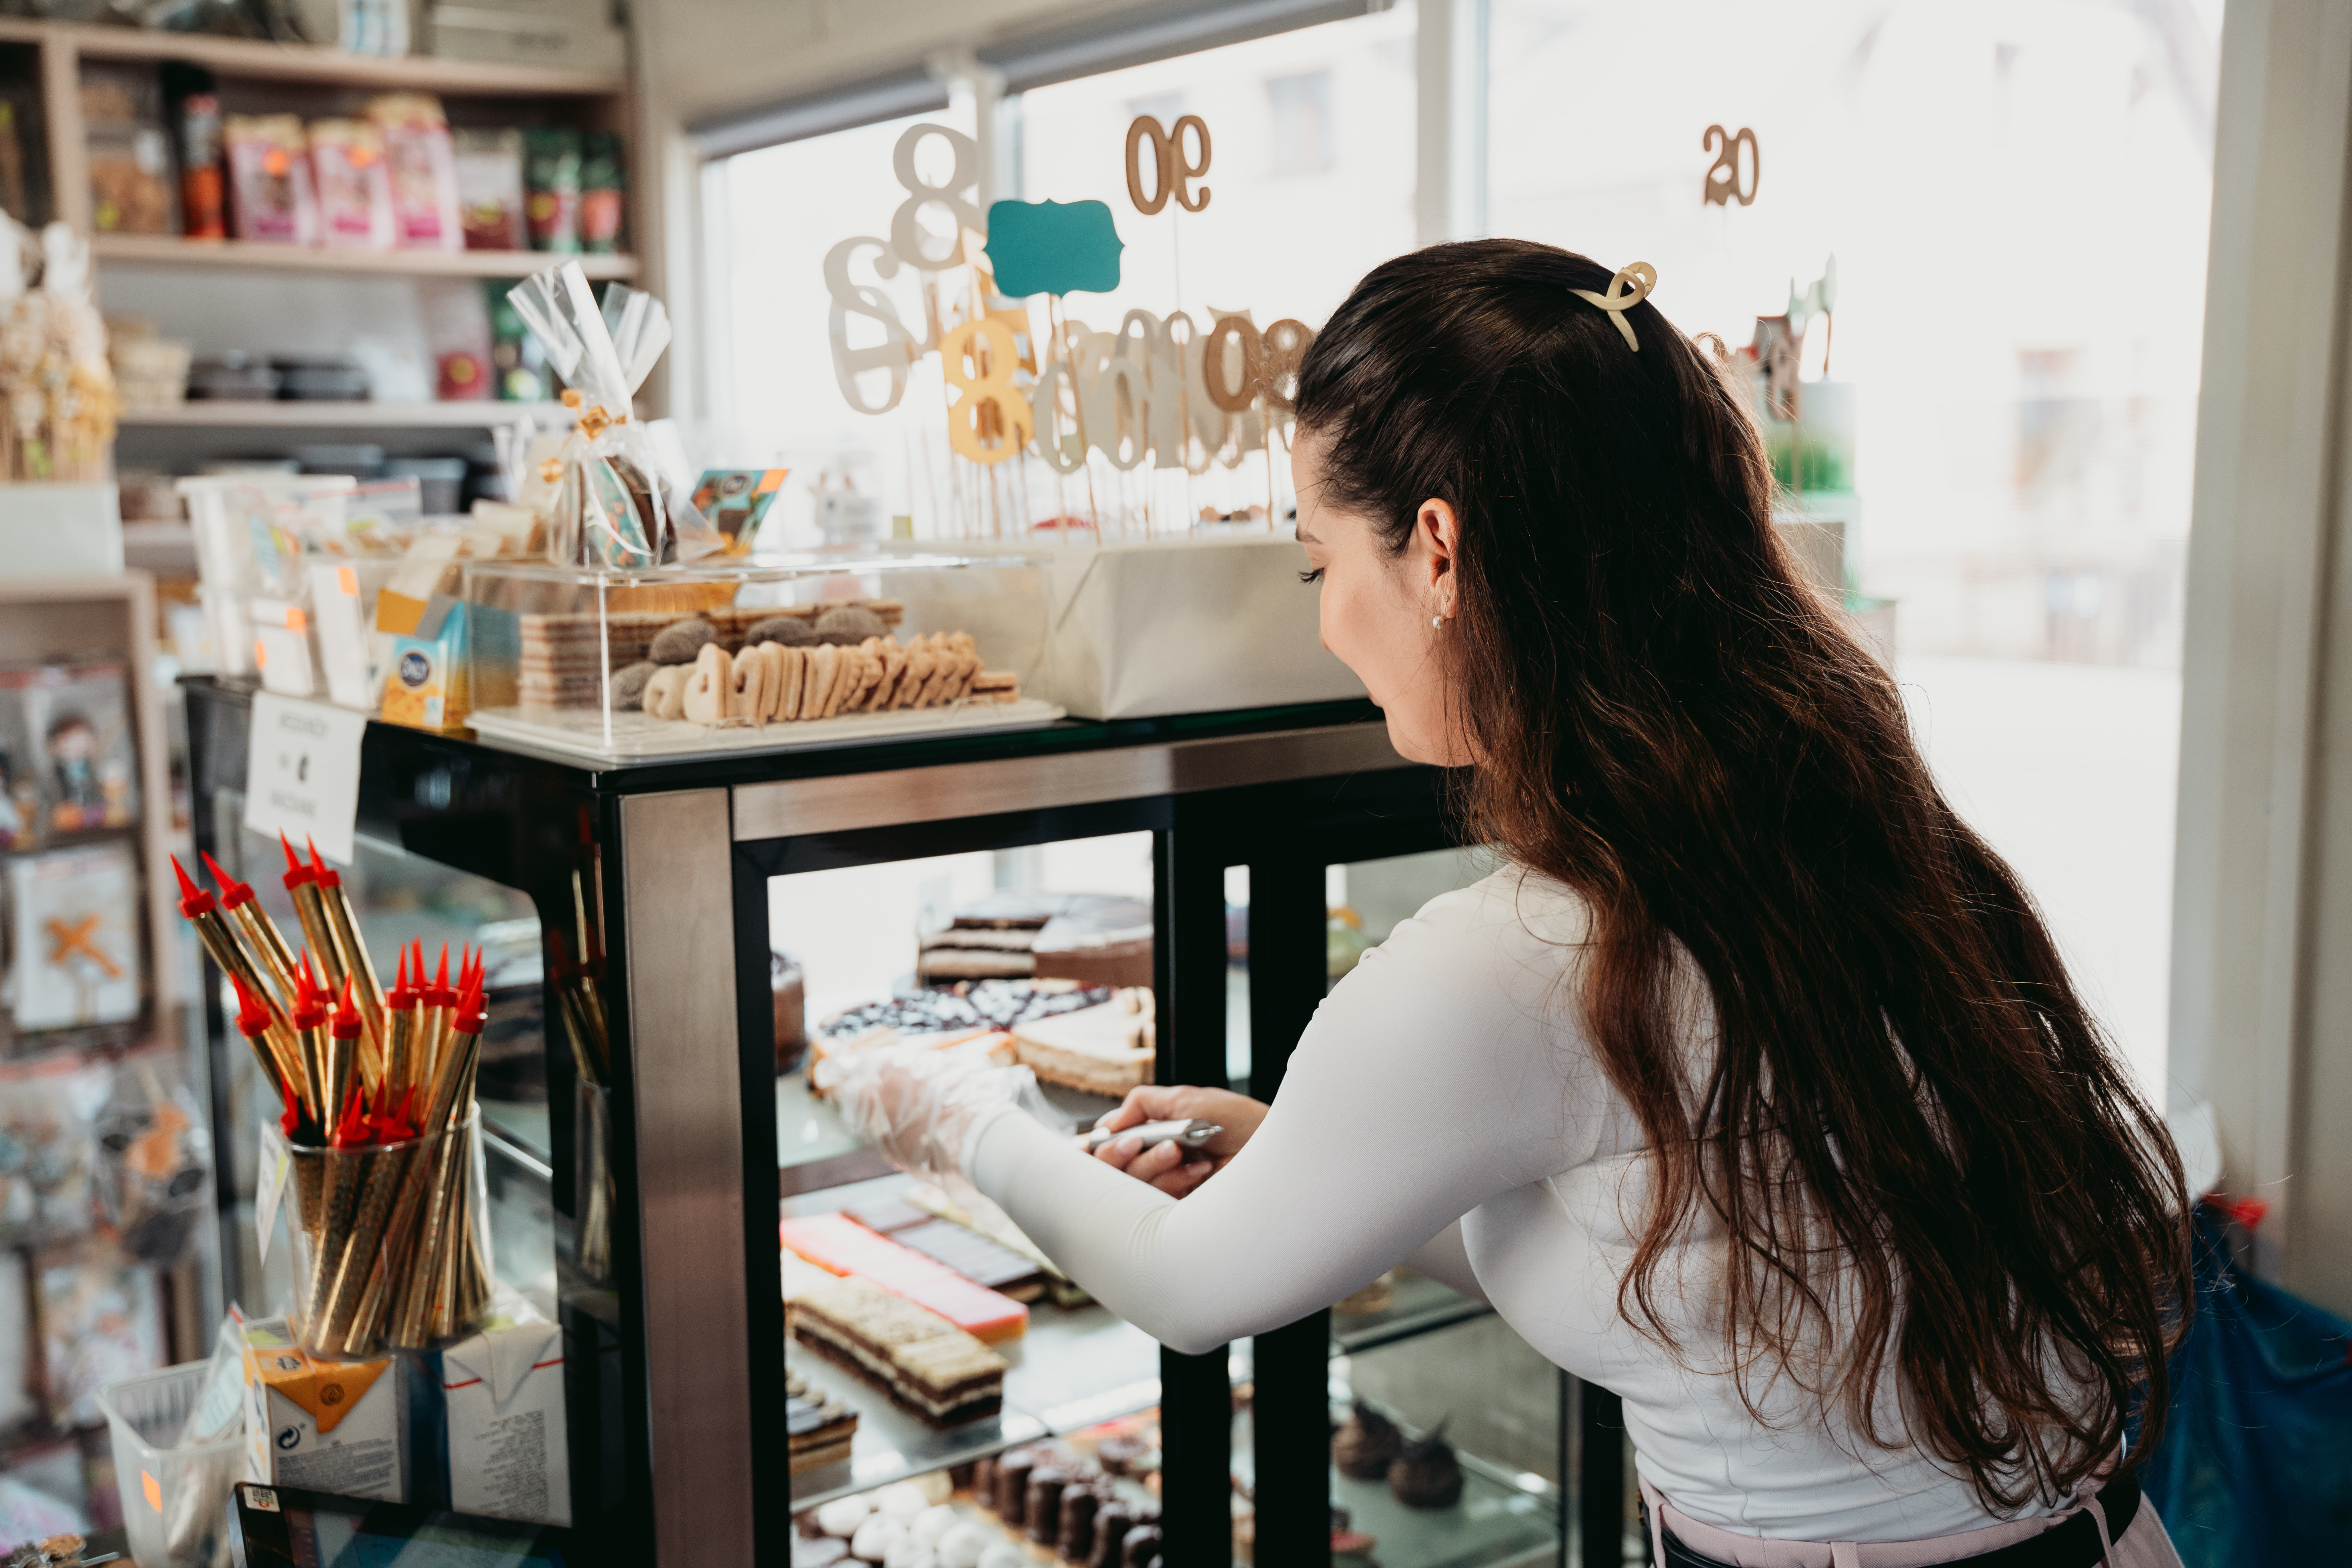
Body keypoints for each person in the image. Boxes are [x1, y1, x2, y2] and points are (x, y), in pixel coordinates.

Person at [835, 240, 2191, 1567]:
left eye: (1319, 563)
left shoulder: (1516, 959)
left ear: (1438, 550)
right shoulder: (1835, 829)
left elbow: (1189, 1291)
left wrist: (958, 1120)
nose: (1323, 624)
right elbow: (1702, 1260)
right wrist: (1301, 1161)